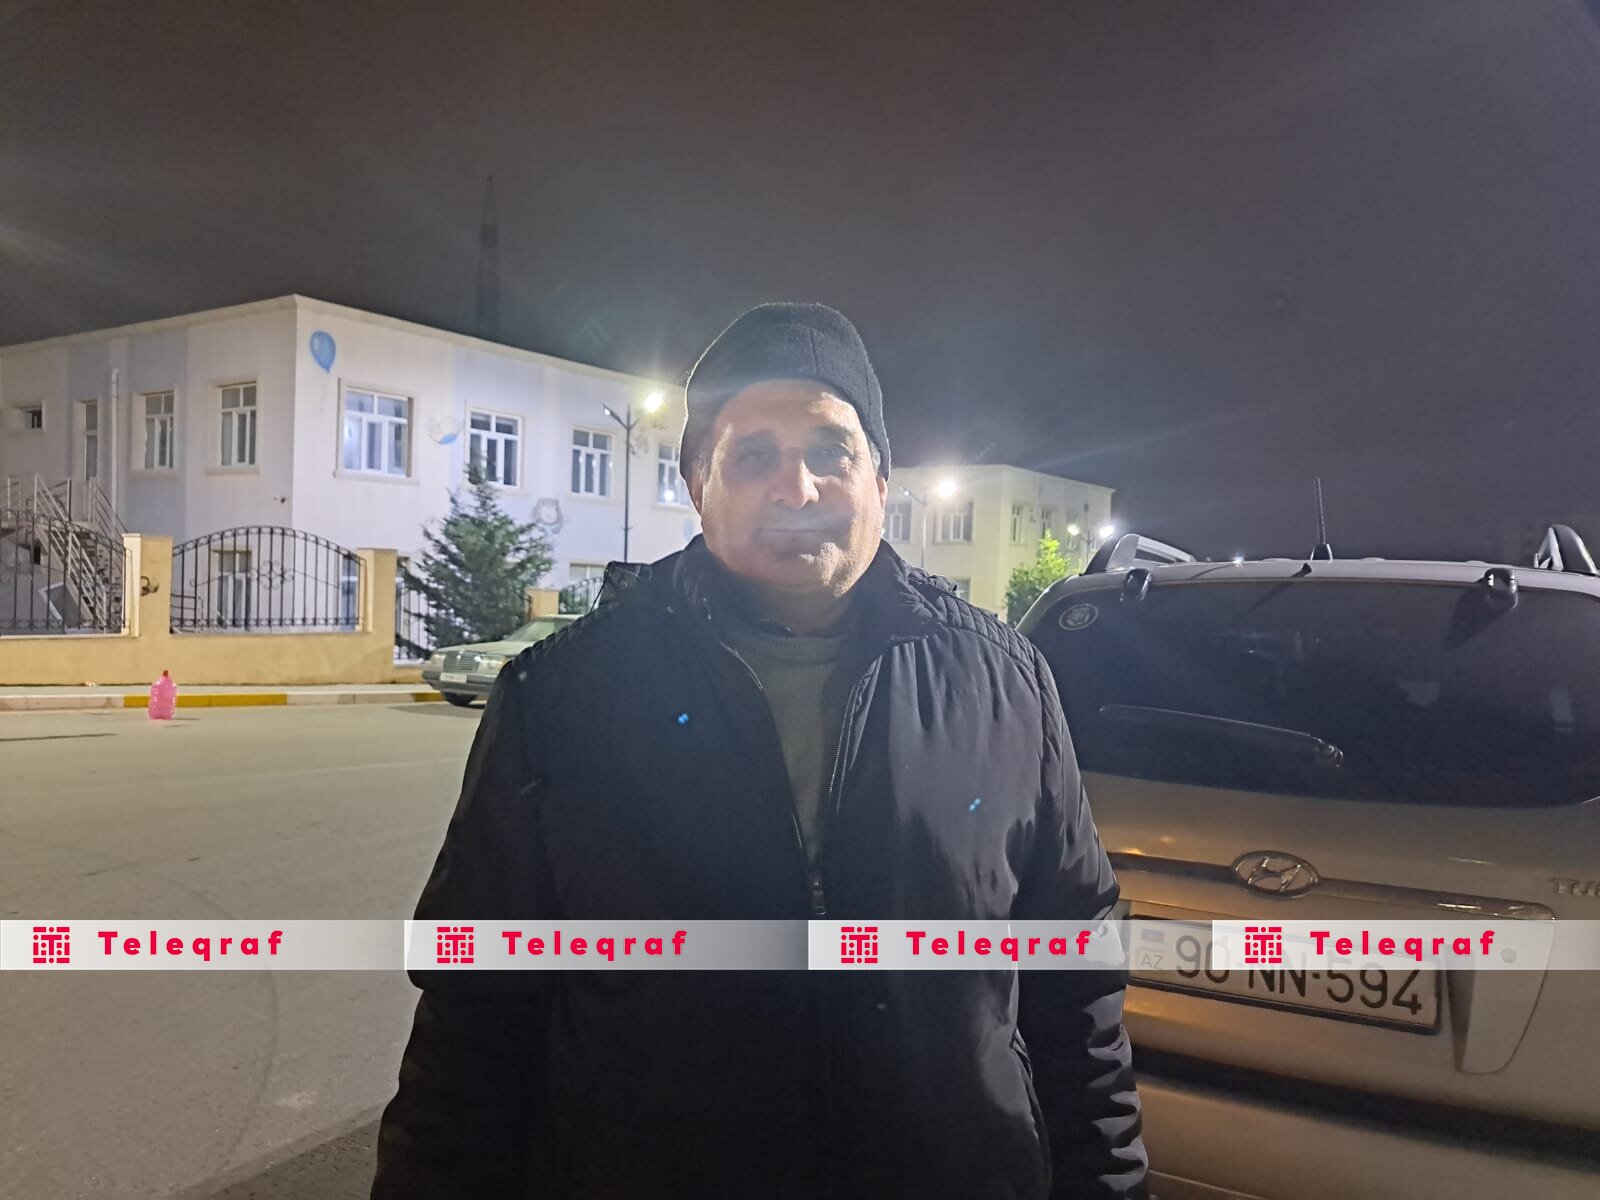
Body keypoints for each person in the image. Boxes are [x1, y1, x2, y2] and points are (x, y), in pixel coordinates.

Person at [373, 303, 1147, 1198]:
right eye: (753, 456)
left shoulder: (1005, 684)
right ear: (697, 483)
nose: (798, 488)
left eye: (829, 451)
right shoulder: (562, 697)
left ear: (880, 479)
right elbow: (475, 1014)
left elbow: (1075, 989)